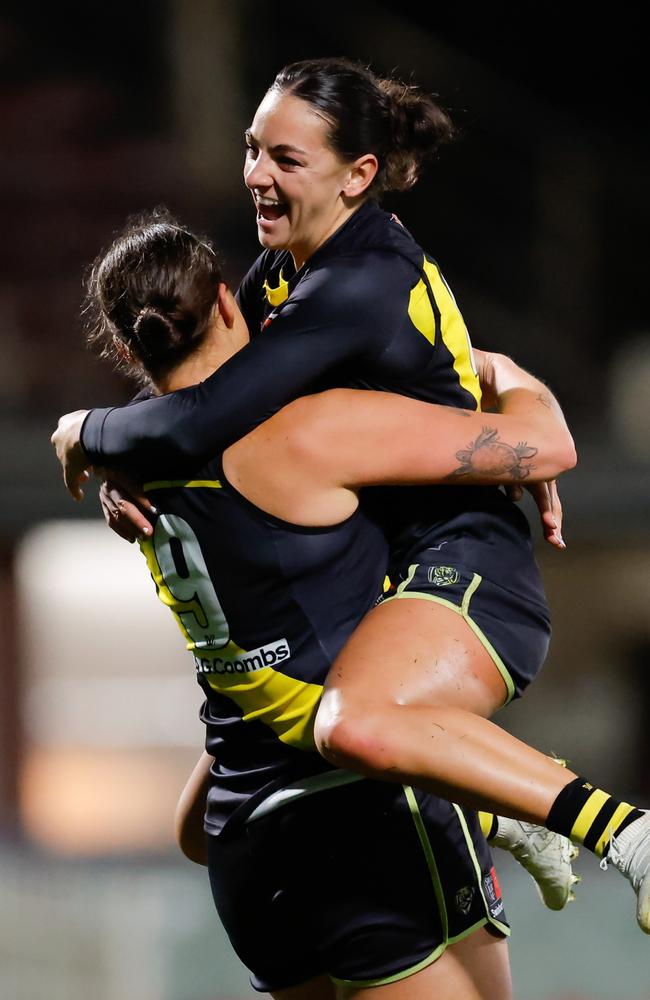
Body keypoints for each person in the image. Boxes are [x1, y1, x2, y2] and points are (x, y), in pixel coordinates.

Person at [52, 58, 650, 931]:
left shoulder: (355, 285)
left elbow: (194, 421)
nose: (257, 173)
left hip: (464, 565)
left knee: (354, 722)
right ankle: (493, 796)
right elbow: (206, 397)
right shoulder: (289, 268)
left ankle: (621, 832)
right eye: (252, 149)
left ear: (357, 175)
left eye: (286, 160)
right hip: (383, 569)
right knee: (207, 826)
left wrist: (86, 434)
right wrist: (127, 473)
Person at [60, 210, 580, 998]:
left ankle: (496, 810)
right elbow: (540, 443)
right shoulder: (308, 430)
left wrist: (81, 431)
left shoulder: (132, 464)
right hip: (367, 817)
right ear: (231, 304)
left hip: (242, 836)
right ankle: (595, 826)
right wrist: (503, 371)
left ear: (129, 350)